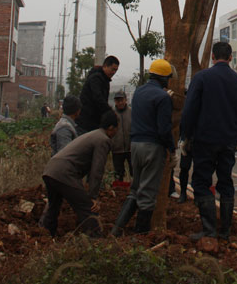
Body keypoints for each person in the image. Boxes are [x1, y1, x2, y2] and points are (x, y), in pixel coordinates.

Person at [180, 41, 237, 241]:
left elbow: (189, 110)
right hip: (228, 141)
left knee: (202, 182)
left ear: (212, 57)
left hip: (204, 140)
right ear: (230, 58)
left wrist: (186, 136)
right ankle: (225, 231)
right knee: (226, 181)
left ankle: (209, 229)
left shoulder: (201, 78)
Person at [111, 59, 177, 236]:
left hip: (135, 146)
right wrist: (172, 149)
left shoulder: (139, 92)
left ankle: (117, 230)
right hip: (152, 147)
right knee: (148, 194)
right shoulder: (163, 98)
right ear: (164, 79)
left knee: (135, 189)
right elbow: (164, 129)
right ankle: (140, 237)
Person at [41, 109, 118, 237]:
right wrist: (93, 197)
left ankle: (45, 235)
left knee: (53, 207)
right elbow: (97, 170)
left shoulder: (93, 134)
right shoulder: (103, 140)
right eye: (116, 129)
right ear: (111, 127)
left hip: (50, 170)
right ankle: (97, 242)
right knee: (87, 208)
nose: (116, 132)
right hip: (64, 173)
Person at [75, 55, 119, 134]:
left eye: (116, 70)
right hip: (86, 122)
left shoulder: (105, 80)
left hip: (94, 122)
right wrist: (109, 111)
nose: (114, 72)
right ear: (105, 66)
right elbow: (98, 98)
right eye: (112, 69)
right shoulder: (96, 78)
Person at [112, 91, 132, 181]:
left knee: (134, 172)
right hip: (117, 149)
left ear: (125, 100)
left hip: (130, 149)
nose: (120, 103)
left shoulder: (132, 112)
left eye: (121, 100)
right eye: (117, 100)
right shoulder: (112, 114)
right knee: (118, 174)